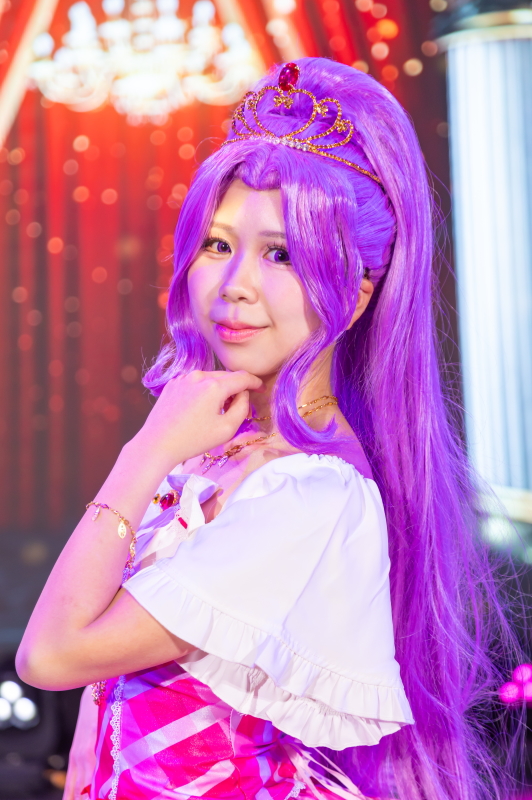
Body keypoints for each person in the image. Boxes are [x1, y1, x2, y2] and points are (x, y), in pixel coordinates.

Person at [16, 58, 521, 800]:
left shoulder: (308, 495)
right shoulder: (224, 452)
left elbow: (50, 656)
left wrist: (144, 451)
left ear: (357, 292)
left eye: (280, 253)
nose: (234, 287)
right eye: (218, 245)